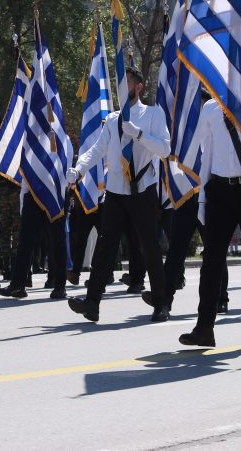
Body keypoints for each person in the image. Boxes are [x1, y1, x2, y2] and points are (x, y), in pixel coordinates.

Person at [65, 68, 170, 323]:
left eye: (129, 83)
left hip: (142, 190)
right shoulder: (112, 119)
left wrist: (139, 134)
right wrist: (79, 170)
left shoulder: (153, 114)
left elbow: (165, 149)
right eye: (121, 85)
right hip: (115, 192)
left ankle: (161, 302)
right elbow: (97, 149)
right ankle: (92, 303)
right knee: (105, 245)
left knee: (150, 247)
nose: (124, 89)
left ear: (140, 87)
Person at [177, 98, 241, 350]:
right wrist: (203, 197)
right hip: (220, 189)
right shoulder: (211, 107)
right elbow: (206, 152)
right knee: (211, 261)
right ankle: (204, 328)